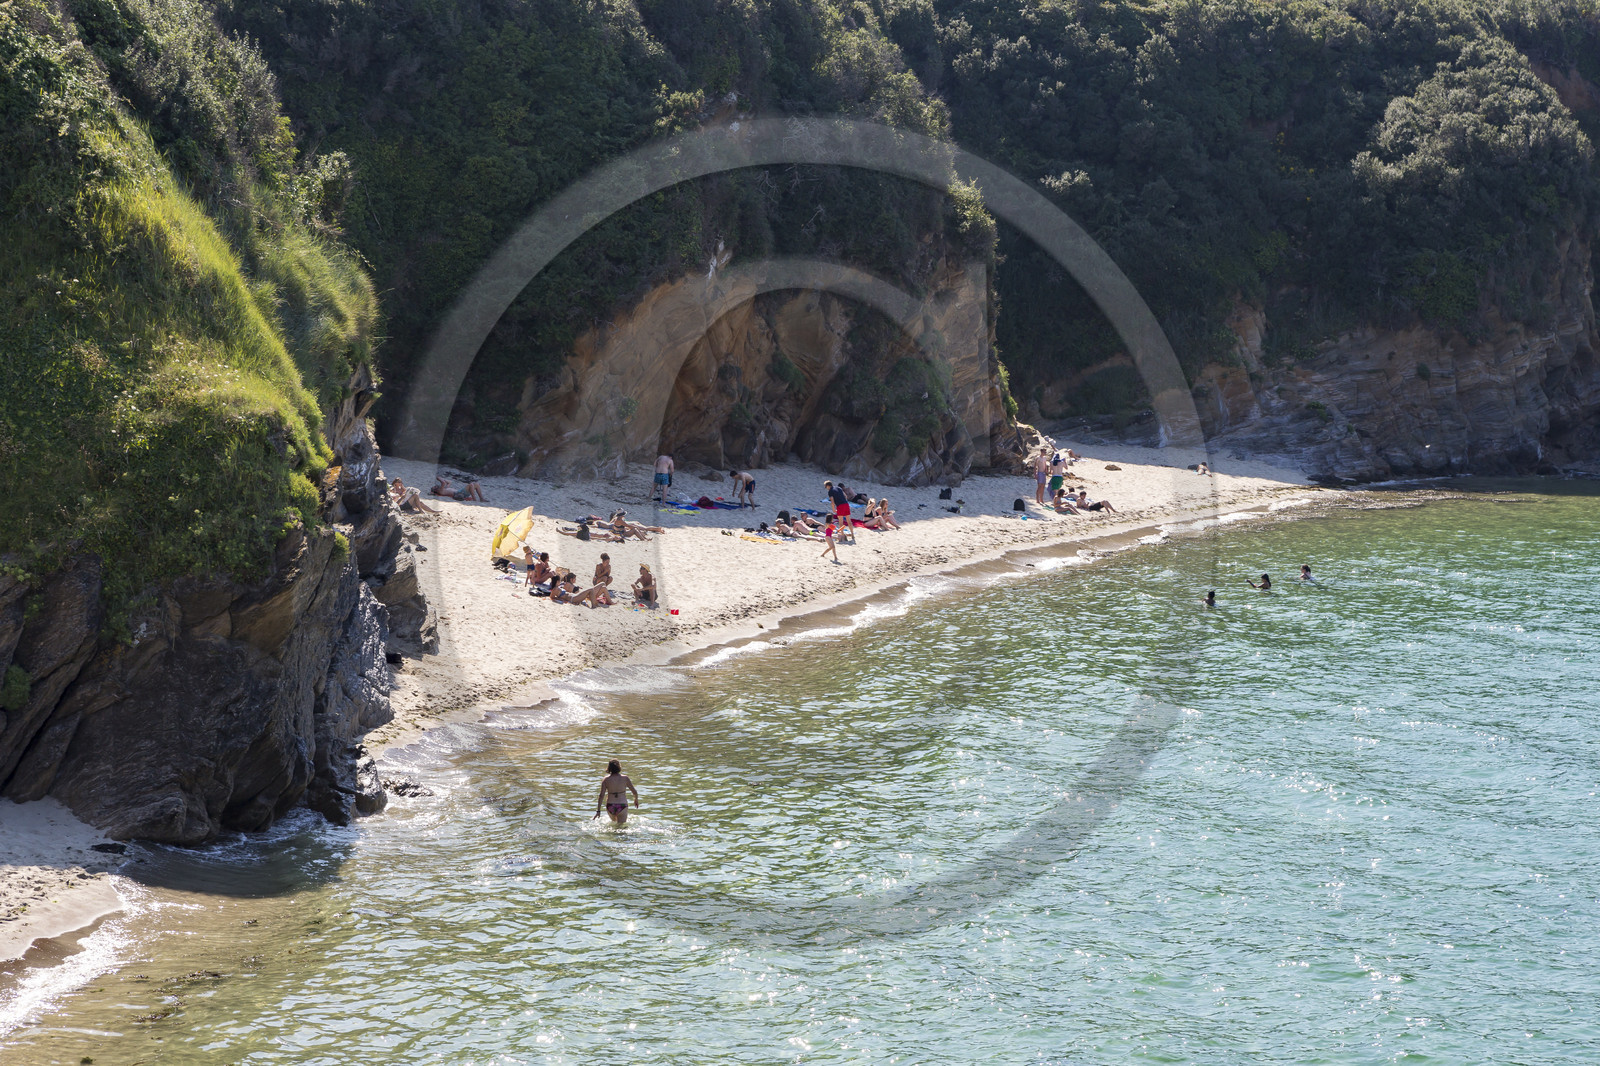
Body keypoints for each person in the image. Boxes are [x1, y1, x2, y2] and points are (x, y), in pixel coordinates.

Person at [595, 759, 639, 825]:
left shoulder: (606, 780)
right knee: (622, 828)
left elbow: (601, 796)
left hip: (610, 806)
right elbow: (634, 792)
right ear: (619, 767)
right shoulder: (625, 778)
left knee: (614, 825)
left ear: (609, 768)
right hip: (622, 805)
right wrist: (636, 799)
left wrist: (598, 811)